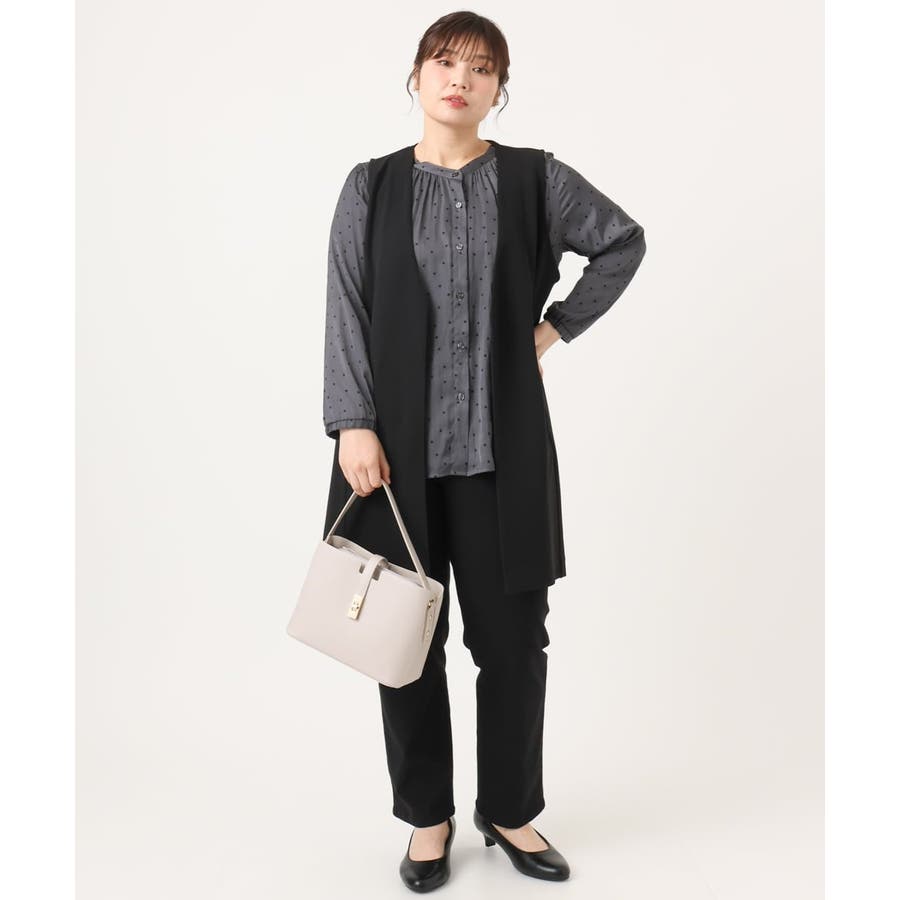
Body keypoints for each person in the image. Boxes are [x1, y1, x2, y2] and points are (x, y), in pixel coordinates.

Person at [321, 10, 646, 892]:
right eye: (444, 61)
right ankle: (427, 818)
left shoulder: (537, 180)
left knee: (512, 644)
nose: (459, 79)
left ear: (500, 87)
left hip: (505, 455)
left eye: (480, 67)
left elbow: (622, 242)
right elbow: (346, 301)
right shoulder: (370, 186)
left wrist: (553, 329)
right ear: (416, 76)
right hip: (394, 461)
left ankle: (509, 810)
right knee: (403, 646)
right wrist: (352, 421)